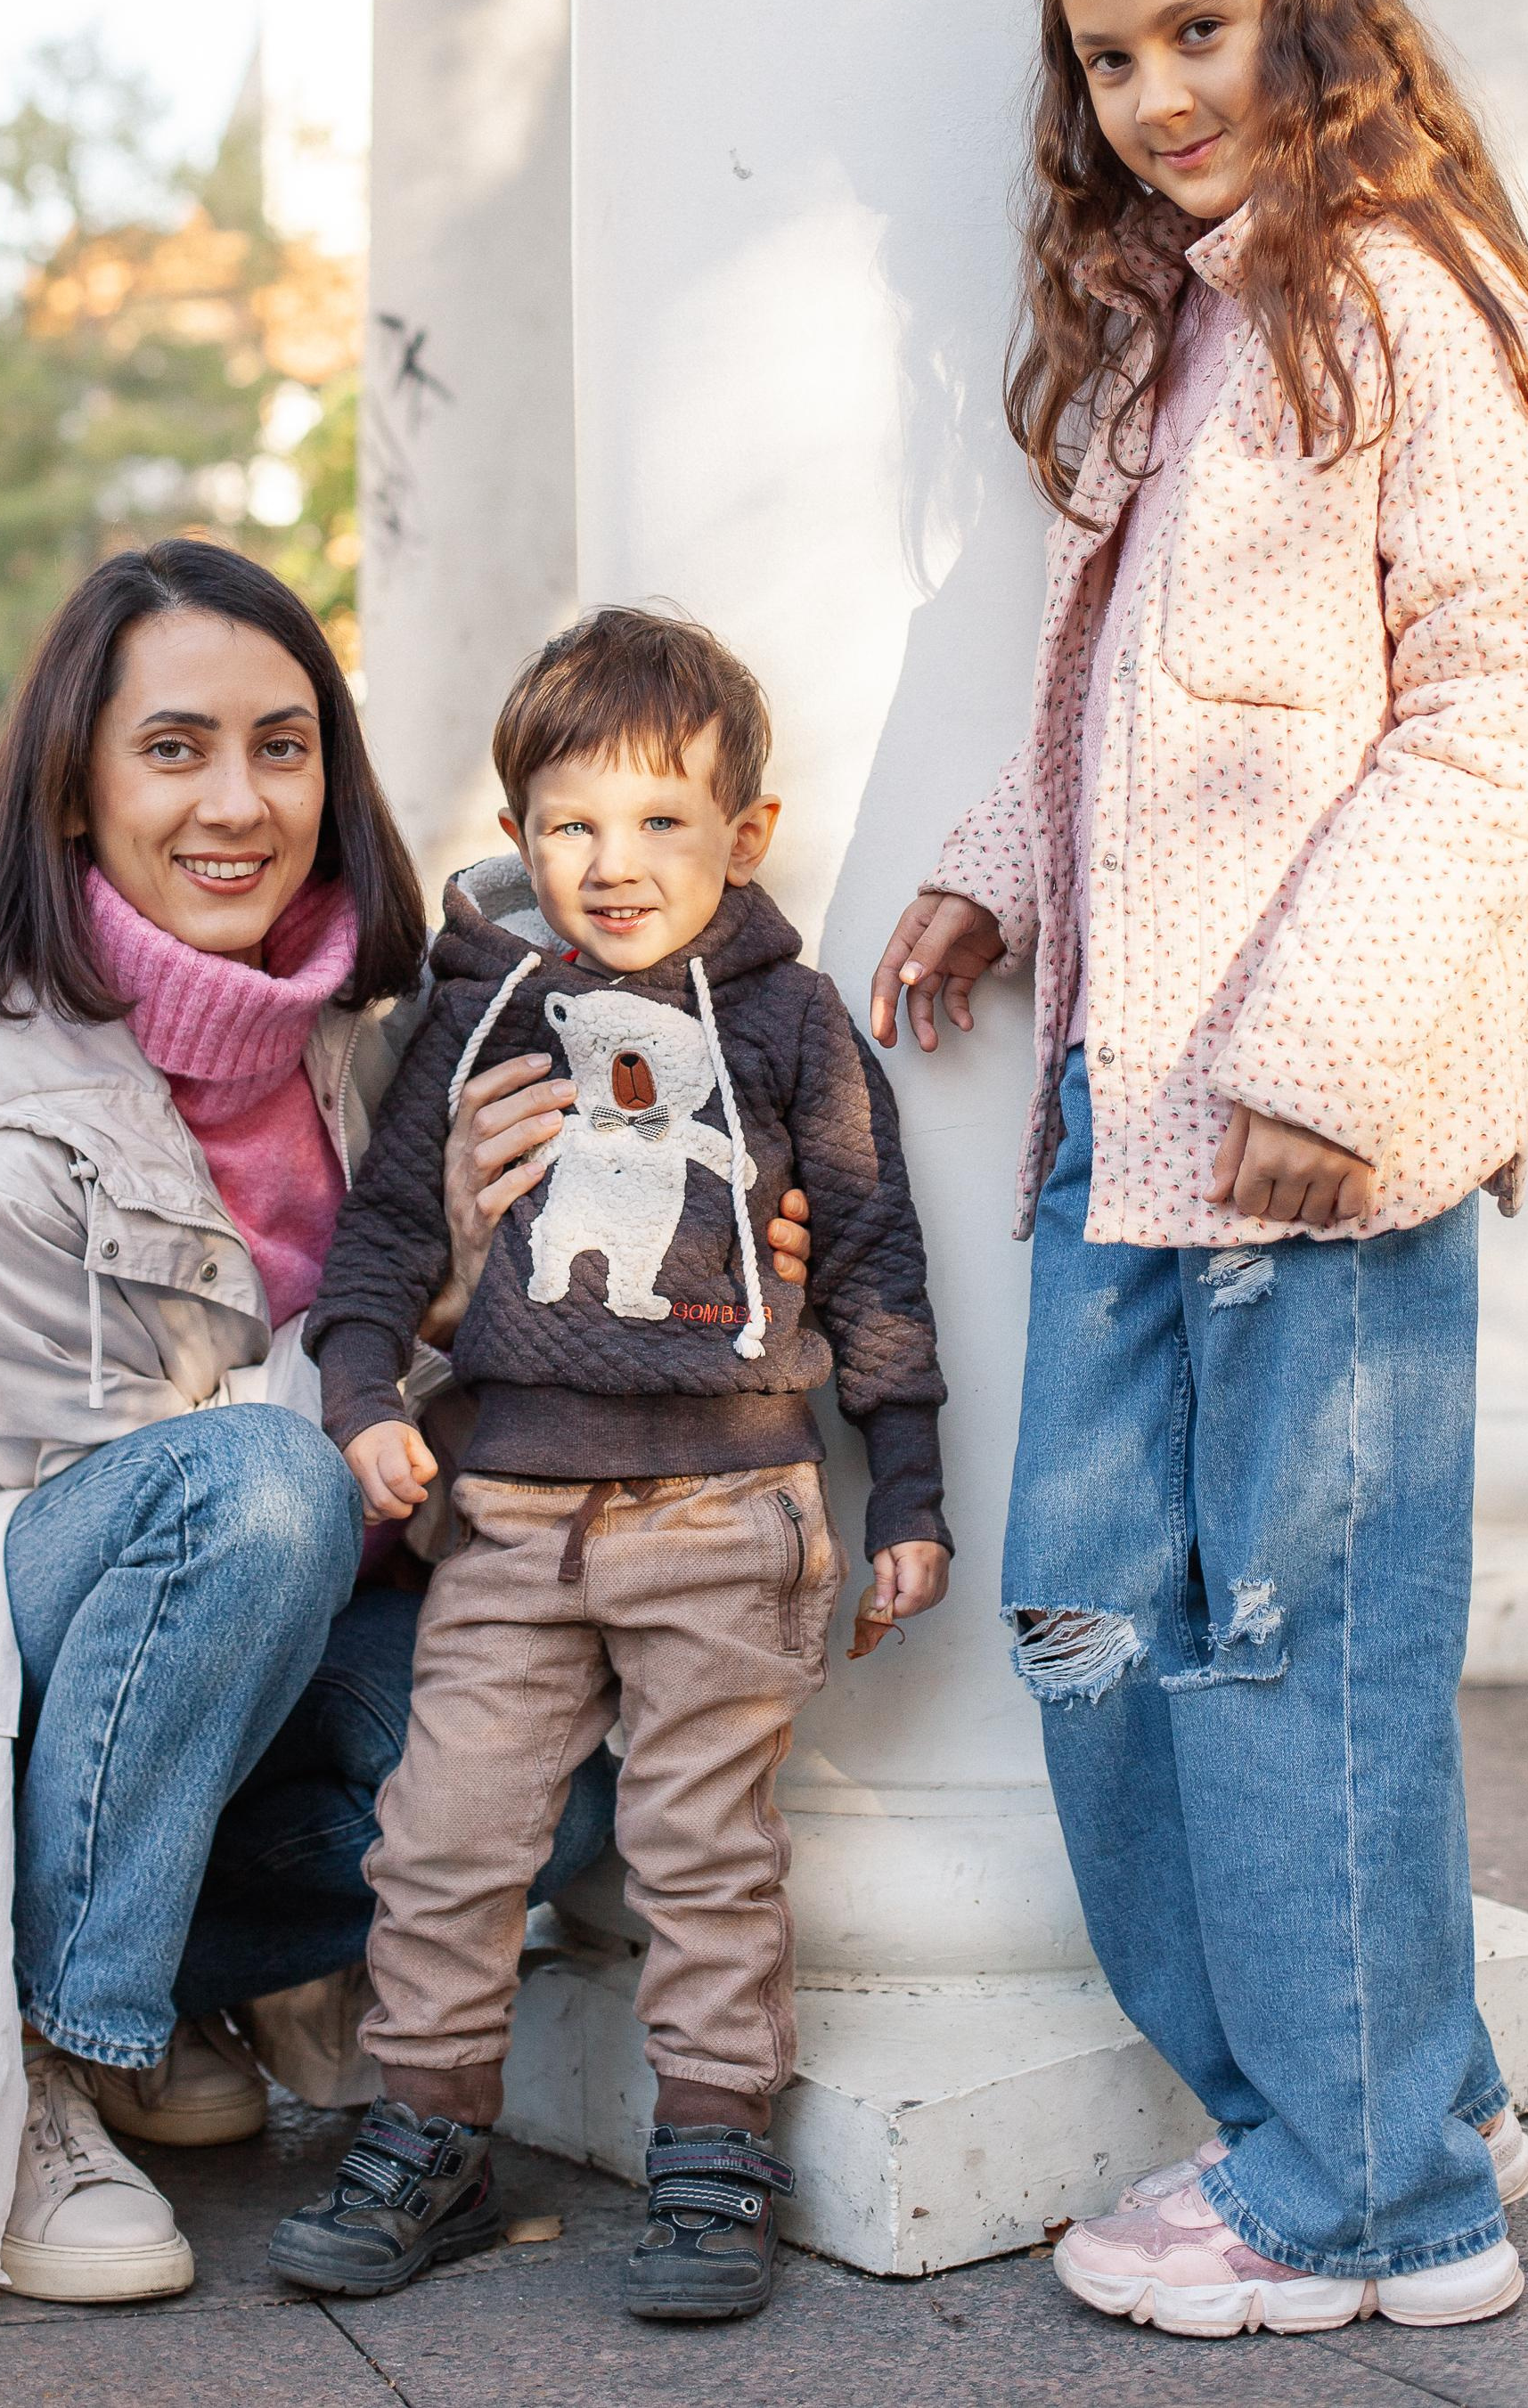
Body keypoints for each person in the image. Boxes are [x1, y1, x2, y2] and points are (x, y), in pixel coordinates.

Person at [0, 539, 814, 2304]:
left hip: (266, 1637)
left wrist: (718, 1252)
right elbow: (141, 1512)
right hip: (1, 1659)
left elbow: (485, 1411)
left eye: (284, 745)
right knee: (261, 1481)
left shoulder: (384, 1044)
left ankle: (170, 1980)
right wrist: (452, 1294)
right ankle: (42, 2042)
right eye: (174, 748)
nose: (240, 800)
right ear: (73, 789)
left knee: (581, 1772)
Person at [870, 0, 1528, 2340]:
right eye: (1104, 54)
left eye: (1194, 25)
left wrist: (1321, 1042)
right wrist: (989, 861)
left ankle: (1374, 2197)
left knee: (1299, 1650)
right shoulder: (1178, 326)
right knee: (1087, 1617)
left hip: (1314, 1123)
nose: (1156, 88)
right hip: (1118, 1107)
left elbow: (1488, 718)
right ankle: (1389, 2083)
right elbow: (1127, 704)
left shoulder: (1417, 303)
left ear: (1299, 3)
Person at [268, 608, 952, 2322]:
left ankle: (713, 2152)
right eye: (571, 823)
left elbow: (871, 1252)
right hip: (503, 1523)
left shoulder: (791, 1022)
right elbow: (380, 1243)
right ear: (513, 841)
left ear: (745, 833)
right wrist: (363, 1399)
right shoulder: (480, 1015)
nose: (615, 861)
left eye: (660, 820)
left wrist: (912, 1487)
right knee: (442, 1838)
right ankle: (429, 2130)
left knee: (703, 1848)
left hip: (725, 1514)